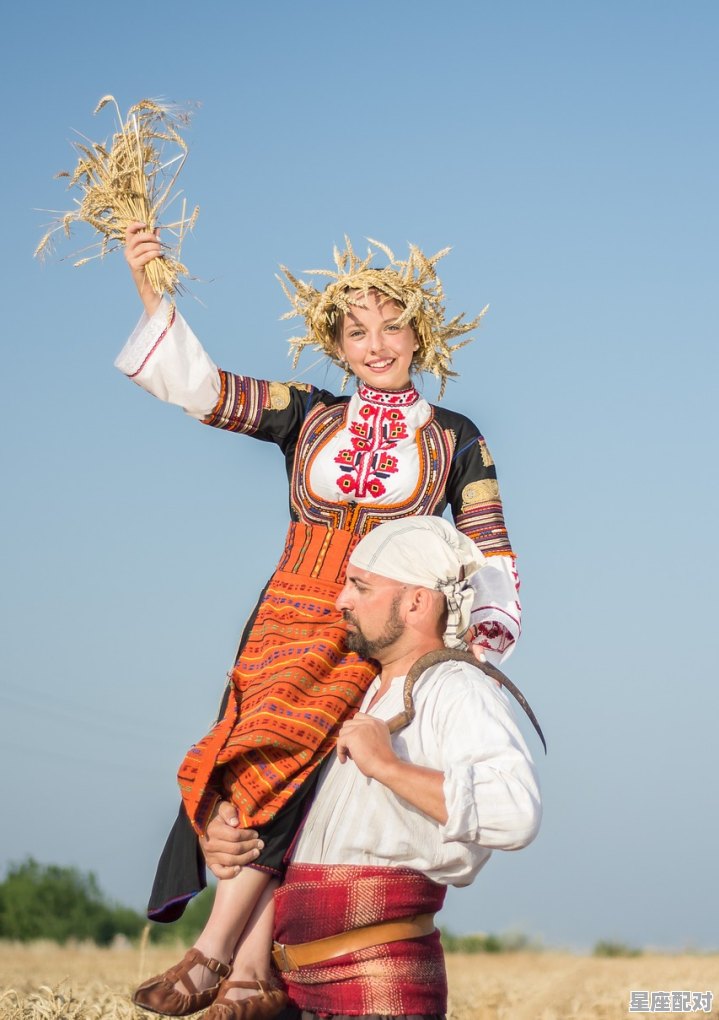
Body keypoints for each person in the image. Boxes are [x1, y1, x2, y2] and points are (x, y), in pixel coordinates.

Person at [120, 227, 522, 1016]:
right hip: (281, 618)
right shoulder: (306, 415)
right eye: (356, 332)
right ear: (336, 346)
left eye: (391, 326)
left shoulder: (455, 438)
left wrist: (477, 645)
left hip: (367, 632)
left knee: (305, 771)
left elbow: (489, 549)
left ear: (419, 333)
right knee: (254, 775)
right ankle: (247, 972)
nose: (376, 345)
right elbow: (201, 389)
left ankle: (221, 960)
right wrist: (147, 285)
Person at [201, 516, 542, 1020]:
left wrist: (386, 765)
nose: (342, 600)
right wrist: (226, 834)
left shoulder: (457, 688)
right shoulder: (356, 696)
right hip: (292, 988)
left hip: (382, 990)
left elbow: (514, 811)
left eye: (360, 586)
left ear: (416, 602)